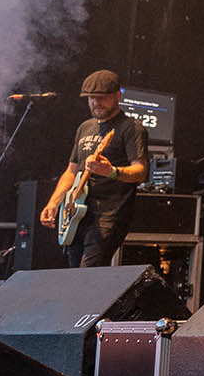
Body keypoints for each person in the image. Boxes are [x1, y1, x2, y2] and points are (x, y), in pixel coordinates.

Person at [41, 69, 150, 268]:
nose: (96, 102)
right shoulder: (85, 127)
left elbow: (141, 171)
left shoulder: (130, 128)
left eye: (102, 97)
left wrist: (112, 171)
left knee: (87, 275)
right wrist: (53, 203)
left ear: (117, 95)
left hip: (108, 216)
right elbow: (71, 171)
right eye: (91, 98)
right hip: (77, 213)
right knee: (74, 276)